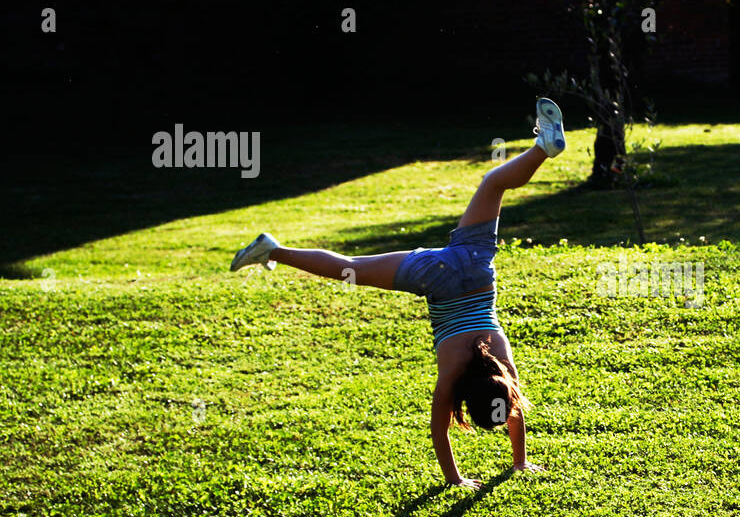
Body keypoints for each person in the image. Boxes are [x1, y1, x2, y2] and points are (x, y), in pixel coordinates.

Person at [230, 98, 566, 488]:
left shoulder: (502, 366)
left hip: (474, 270)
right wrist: (459, 479)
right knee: (348, 269)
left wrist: (518, 462)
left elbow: (512, 410)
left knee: (493, 184)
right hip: (435, 280)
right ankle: (271, 249)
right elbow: (439, 433)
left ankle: (541, 149)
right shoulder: (454, 372)